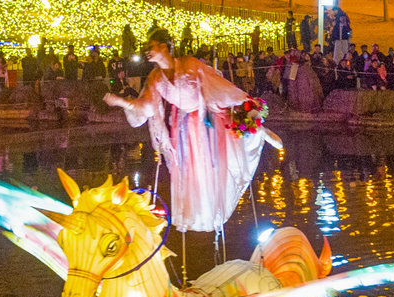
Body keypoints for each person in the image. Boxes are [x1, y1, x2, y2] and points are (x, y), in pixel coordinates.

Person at [104, 28, 281, 233]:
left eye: (150, 46)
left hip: (208, 117)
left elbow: (216, 83)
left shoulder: (189, 64)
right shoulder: (155, 77)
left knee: (228, 154)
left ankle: (259, 131)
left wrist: (243, 100)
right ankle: (201, 214)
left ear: (163, 47)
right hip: (185, 126)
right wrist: (122, 102)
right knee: (194, 173)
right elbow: (146, 106)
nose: (146, 51)